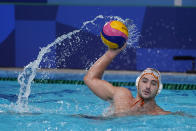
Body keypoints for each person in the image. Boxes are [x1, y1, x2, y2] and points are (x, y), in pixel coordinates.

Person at [84, 43, 171, 116]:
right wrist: (110, 53)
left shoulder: (161, 114)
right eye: (144, 81)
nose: (148, 86)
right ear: (138, 83)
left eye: (153, 83)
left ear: (158, 89)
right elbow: (90, 79)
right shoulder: (121, 96)